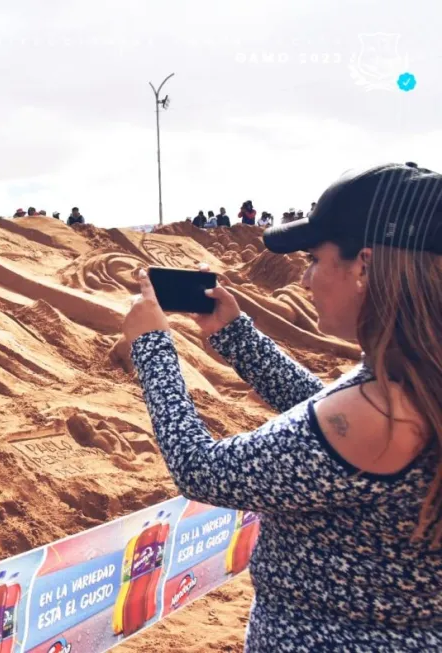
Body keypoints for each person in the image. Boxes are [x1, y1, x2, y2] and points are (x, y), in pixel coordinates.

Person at [122, 161, 442, 651]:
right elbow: (325, 418)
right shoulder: (414, 379)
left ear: (366, 265)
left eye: (314, 258)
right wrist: (237, 339)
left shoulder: (379, 412)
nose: (307, 279)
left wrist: (152, 347)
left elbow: (202, 470)